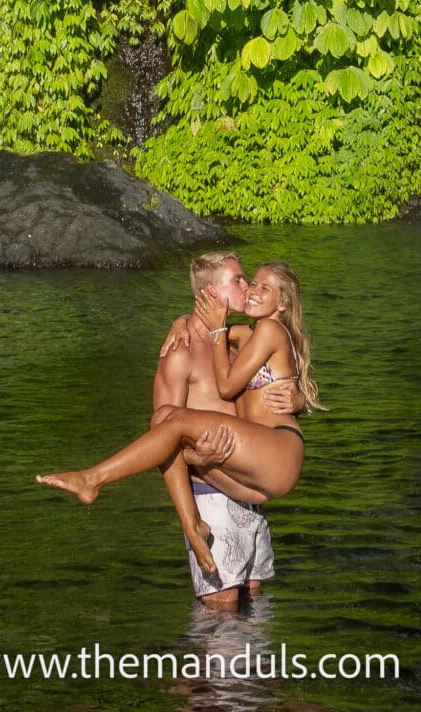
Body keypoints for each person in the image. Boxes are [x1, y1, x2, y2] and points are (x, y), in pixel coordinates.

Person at [37, 261, 320, 542]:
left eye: (264, 288)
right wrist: (181, 322)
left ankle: (93, 479)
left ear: (282, 303)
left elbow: (226, 385)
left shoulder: (270, 331)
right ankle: (193, 524)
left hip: (279, 449)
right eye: (252, 283)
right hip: (257, 472)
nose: (252, 291)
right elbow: (204, 328)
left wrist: (220, 333)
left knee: (177, 421)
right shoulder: (249, 333)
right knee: (163, 421)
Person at [152, 253, 295, 607]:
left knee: (256, 602)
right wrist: (190, 522)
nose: (247, 288)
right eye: (239, 280)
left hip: (248, 490)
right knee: (220, 614)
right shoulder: (179, 353)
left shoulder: (233, 343)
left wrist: (298, 396)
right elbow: (161, 438)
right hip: (209, 499)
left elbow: (278, 372)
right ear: (212, 290)